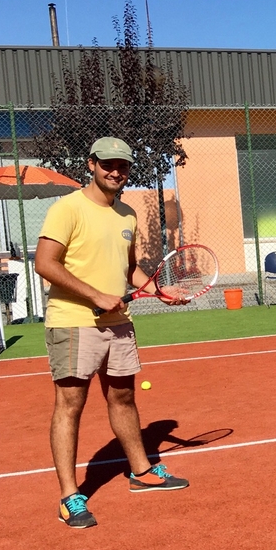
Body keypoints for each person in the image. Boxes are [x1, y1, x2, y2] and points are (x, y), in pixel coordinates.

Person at [33, 136, 189, 529]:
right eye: (108, 164)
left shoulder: (127, 214)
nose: (116, 171)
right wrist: (95, 295)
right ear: (91, 164)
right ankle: (70, 497)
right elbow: (45, 263)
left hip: (118, 325)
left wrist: (157, 289)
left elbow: (129, 271)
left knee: (123, 397)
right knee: (70, 405)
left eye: (123, 165)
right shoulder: (67, 208)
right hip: (73, 321)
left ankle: (141, 471)